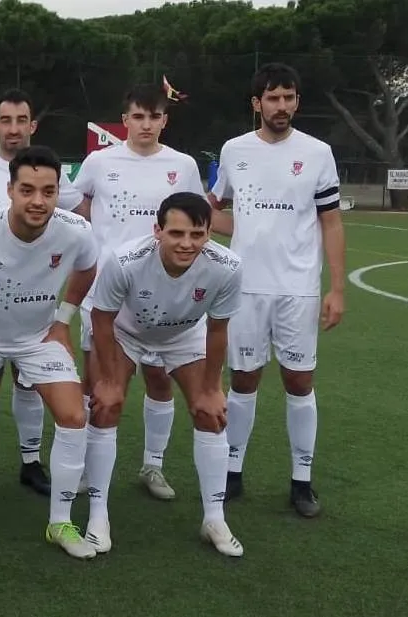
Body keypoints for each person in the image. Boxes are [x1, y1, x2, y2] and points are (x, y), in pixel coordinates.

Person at [0, 145, 98, 559]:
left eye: (48, 191)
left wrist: (63, 320)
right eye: (27, 190)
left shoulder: (75, 230)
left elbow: (87, 266)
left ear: (58, 191)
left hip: (39, 337)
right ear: (9, 190)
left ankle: (60, 522)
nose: (38, 201)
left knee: (74, 416)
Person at [209, 62, 345, 518]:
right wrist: (197, 226)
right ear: (256, 103)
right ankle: (232, 473)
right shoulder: (234, 151)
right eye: (273, 98)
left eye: (289, 97)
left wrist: (337, 288)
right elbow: (217, 210)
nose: (281, 106)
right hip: (245, 288)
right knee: (243, 380)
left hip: (299, 289)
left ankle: (301, 482)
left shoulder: (319, 153)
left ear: (297, 102)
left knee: (299, 381)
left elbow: (330, 220)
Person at [87, 192, 244, 557]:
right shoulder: (125, 261)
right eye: (176, 233)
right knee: (106, 406)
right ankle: (98, 516)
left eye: (197, 234)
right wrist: (109, 381)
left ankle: (214, 519)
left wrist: (211, 387)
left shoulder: (228, 266)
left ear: (208, 233)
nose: (186, 243)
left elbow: (218, 330)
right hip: (126, 332)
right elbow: (102, 319)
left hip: (183, 335)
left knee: (211, 413)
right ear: (157, 230)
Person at [71, 83, 207, 501]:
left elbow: (197, 218)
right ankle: (85, 471)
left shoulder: (182, 165)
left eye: (154, 117)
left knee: (159, 379)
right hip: (106, 293)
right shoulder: (98, 161)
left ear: (165, 120)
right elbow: (79, 210)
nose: (146, 124)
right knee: (98, 385)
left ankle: (154, 464)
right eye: (138, 116)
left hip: (164, 291)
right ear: (125, 119)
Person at [0, 88, 85, 498]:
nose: (13, 129)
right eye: (5, 121)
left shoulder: (48, 171)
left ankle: (30, 462)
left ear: (32, 126)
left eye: (20, 121)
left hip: (36, 306)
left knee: (29, 385)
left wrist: (63, 317)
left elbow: (80, 219)